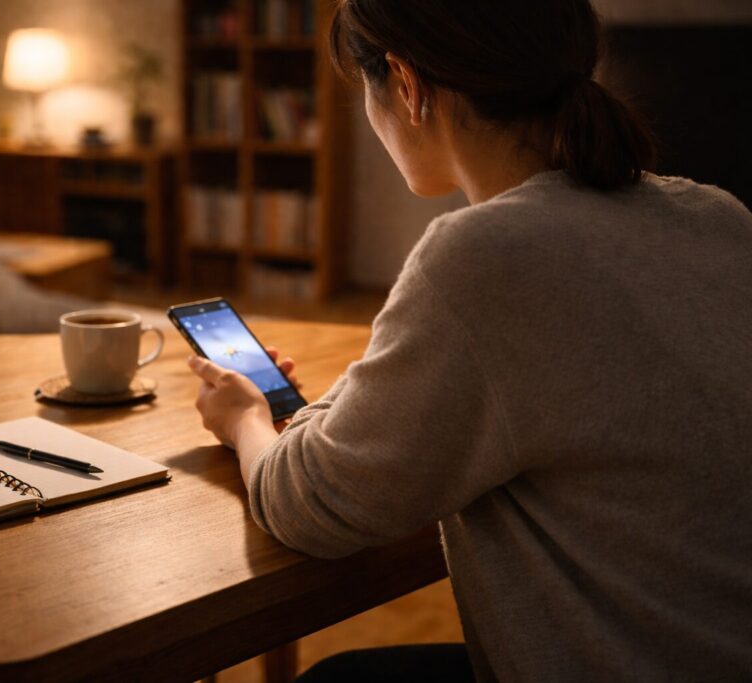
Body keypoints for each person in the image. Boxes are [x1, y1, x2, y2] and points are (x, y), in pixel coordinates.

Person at [187, 1, 752, 681]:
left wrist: (245, 417)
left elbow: (307, 503)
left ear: (405, 83)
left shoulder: (484, 256)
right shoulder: (719, 216)